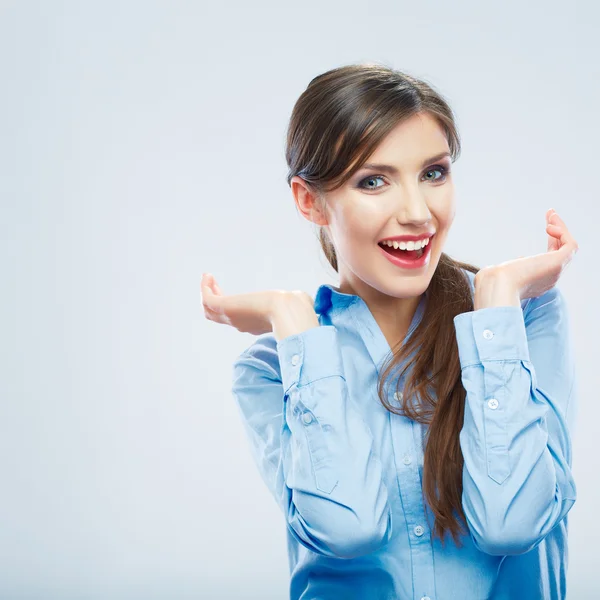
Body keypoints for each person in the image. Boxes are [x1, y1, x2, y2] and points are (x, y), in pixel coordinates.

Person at [201, 63, 579, 600]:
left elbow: (512, 523)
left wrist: (494, 302)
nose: (418, 213)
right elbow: (346, 531)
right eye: (373, 181)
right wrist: (293, 320)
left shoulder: (527, 319)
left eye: (434, 173)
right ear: (309, 200)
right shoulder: (271, 367)